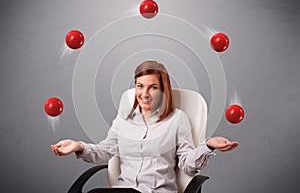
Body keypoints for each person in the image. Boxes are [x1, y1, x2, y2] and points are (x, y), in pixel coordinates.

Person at [51, 60, 238, 193]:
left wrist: (208, 145)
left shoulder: (177, 119)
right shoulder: (124, 119)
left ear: (164, 90)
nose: (144, 94)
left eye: (153, 87)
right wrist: (79, 146)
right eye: (140, 86)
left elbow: (187, 166)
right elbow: (104, 151)